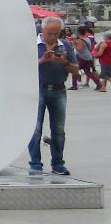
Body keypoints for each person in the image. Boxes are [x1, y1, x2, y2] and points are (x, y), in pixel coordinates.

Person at [30, 17, 74, 175]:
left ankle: (58, 163)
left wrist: (64, 63)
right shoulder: (33, 44)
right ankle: (35, 164)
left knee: (58, 129)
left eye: (56, 33)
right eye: (50, 33)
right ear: (42, 30)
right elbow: (23, 67)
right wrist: (42, 60)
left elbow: (76, 70)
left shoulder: (65, 45)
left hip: (59, 90)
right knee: (35, 129)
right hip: (37, 90)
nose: (53, 37)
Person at [72, 25, 100, 91]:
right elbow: (88, 48)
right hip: (88, 57)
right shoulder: (87, 38)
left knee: (74, 70)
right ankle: (99, 84)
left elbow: (80, 49)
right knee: (88, 72)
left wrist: (74, 45)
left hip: (81, 57)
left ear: (78, 32)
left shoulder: (80, 40)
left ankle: (74, 85)